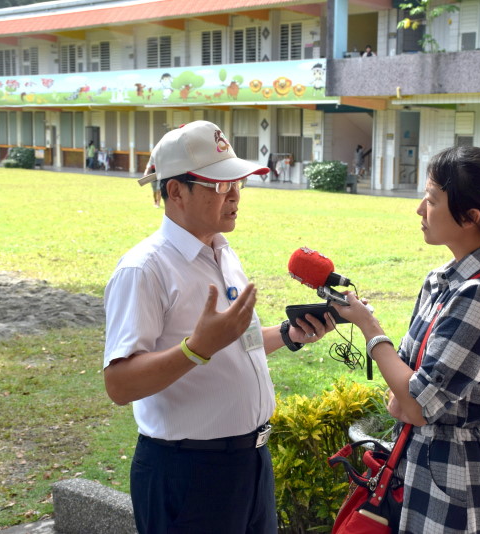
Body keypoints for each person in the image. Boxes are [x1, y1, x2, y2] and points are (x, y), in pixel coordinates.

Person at [103, 120, 332, 534]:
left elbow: (234, 344)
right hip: (188, 474)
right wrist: (195, 348)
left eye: (238, 183)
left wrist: (287, 334)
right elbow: (119, 384)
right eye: (219, 185)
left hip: (250, 464)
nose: (235, 195)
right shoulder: (144, 269)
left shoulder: (222, 252)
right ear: (175, 191)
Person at [333, 146, 480, 533]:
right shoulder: (442, 281)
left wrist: (370, 328)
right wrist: (406, 391)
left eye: (432, 199)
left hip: (461, 490)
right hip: (420, 475)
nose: (420, 210)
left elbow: (415, 405)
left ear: (470, 217)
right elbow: (398, 400)